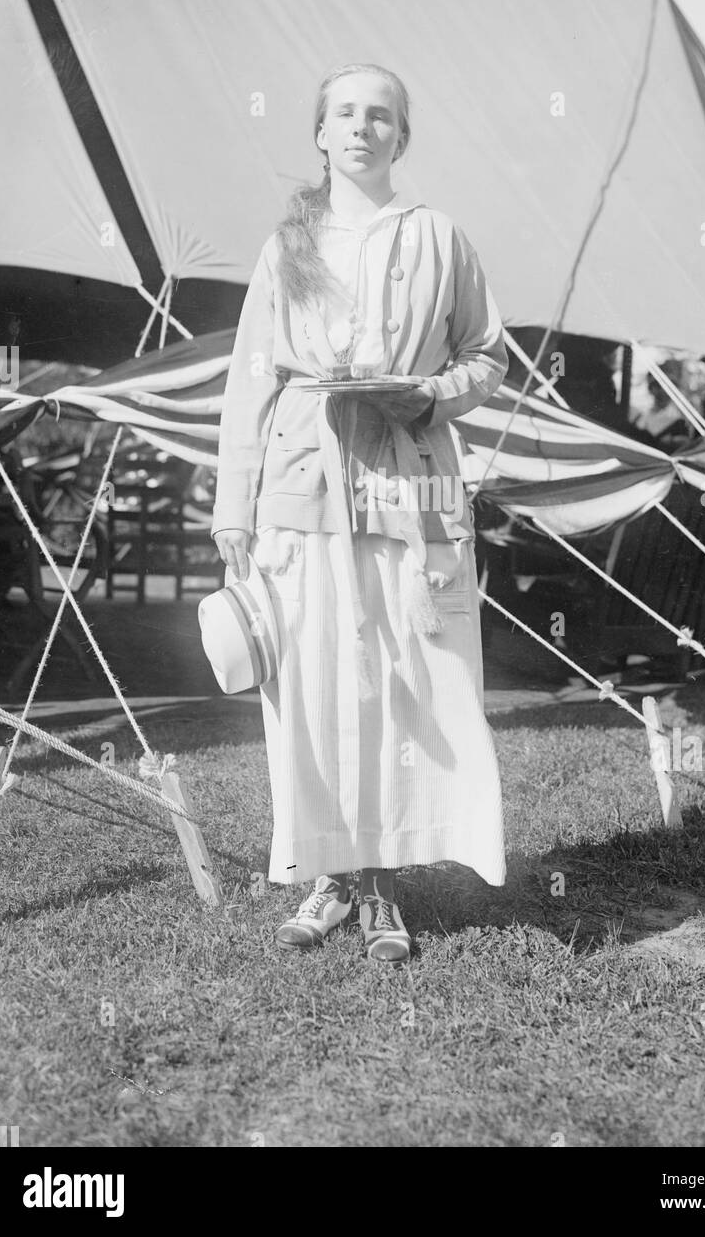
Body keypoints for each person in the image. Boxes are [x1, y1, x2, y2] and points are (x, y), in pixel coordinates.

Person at [210, 62, 509, 963]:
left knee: (400, 679)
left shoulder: (439, 238)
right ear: (320, 133)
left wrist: (427, 397)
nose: (362, 127)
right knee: (310, 682)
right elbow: (248, 385)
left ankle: (382, 886)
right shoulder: (285, 246)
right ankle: (327, 877)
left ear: (401, 138)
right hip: (301, 484)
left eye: (381, 116)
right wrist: (236, 502)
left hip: (406, 485)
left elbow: (487, 357)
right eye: (345, 113)